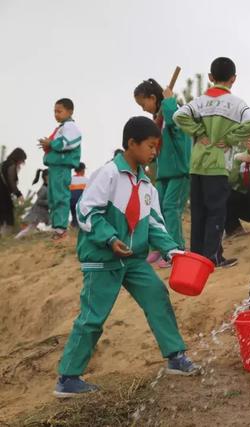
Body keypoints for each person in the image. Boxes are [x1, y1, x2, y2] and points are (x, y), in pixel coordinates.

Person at [54, 117, 199, 398]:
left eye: (157, 147)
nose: (154, 152)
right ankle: (68, 377)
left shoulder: (148, 187)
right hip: (103, 257)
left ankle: (176, 357)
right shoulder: (107, 174)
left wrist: (175, 252)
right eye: (150, 146)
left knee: (157, 295)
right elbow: (86, 211)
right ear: (131, 144)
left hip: (133, 259)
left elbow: (156, 225)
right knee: (93, 316)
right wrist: (109, 238)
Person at [174, 57, 250, 268]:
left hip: (197, 164)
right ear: (233, 79)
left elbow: (178, 115)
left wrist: (199, 131)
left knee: (199, 211)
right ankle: (212, 257)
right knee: (216, 211)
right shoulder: (236, 103)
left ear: (211, 78)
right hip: (217, 164)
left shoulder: (200, 101)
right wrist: (230, 138)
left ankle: (197, 257)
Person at [134, 78, 191, 267]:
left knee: (170, 208)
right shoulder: (156, 119)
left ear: (152, 97)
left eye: (143, 103)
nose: (143, 108)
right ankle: (162, 247)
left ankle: (176, 250)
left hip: (179, 171)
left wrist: (169, 101)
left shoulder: (173, 110)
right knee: (157, 210)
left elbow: (176, 125)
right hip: (163, 173)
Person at [38, 98, 82, 240]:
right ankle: (57, 228)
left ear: (69, 112)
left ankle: (61, 230)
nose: (56, 114)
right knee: (54, 198)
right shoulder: (62, 127)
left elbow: (69, 142)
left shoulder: (71, 127)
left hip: (62, 168)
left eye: (59, 111)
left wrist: (51, 143)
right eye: (54, 111)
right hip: (55, 167)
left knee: (60, 197)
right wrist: (48, 144)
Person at [15, 169, 49, 239]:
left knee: (32, 227)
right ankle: (17, 238)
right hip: (38, 212)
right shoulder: (44, 188)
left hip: (43, 211)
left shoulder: (47, 188)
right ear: (46, 177)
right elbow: (39, 201)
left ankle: (18, 238)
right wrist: (49, 202)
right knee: (31, 227)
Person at [0, 148, 26, 236]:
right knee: (8, 216)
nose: (22, 163)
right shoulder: (11, 165)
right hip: (3, 194)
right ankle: (5, 237)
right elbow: (11, 182)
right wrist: (19, 194)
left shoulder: (3, 164)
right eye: (22, 160)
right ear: (18, 158)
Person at [70, 162, 88, 228]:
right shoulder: (86, 180)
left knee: (74, 215)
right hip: (80, 202)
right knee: (80, 217)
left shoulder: (70, 179)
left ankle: (73, 227)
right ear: (83, 170)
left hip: (71, 202)